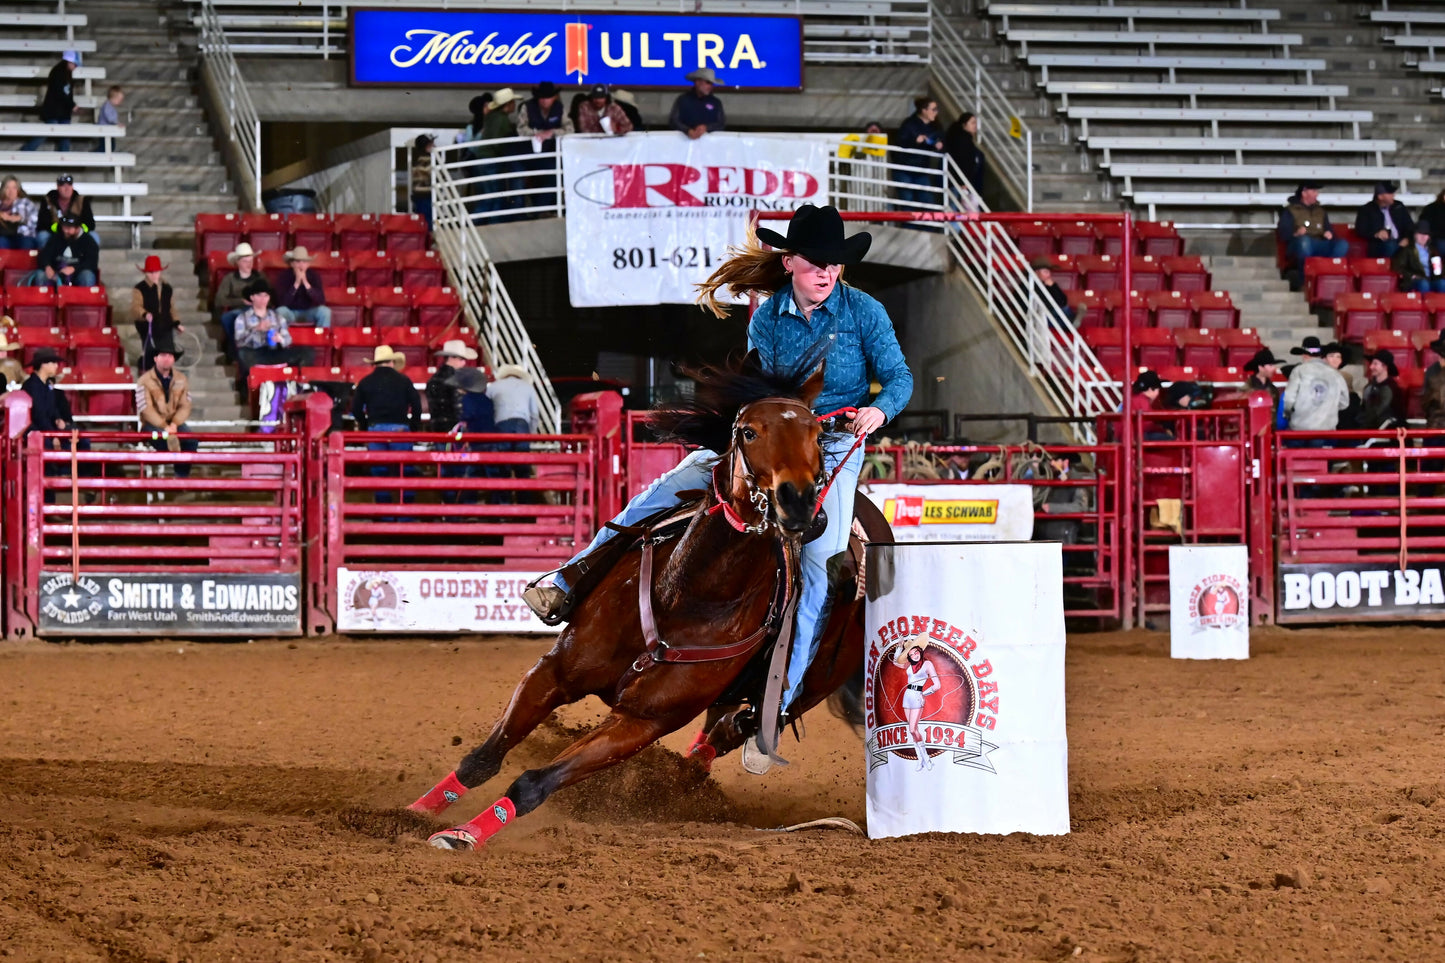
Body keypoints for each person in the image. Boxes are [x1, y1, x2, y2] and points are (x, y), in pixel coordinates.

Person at [523, 204, 913, 726]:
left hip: (835, 442)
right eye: (816, 261)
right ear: (790, 262)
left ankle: (780, 698)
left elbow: (899, 377)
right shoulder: (768, 318)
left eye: (835, 263)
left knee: (821, 562)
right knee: (663, 491)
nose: (827, 272)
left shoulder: (864, 311)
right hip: (771, 438)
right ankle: (567, 580)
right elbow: (758, 388)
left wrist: (879, 409)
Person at [352, 345, 423, 505]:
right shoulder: (404, 380)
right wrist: (413, 427)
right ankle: (406, 511)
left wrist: (365, 426)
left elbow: (356, 409)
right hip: (400, 429)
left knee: (379, 473)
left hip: (375, 430)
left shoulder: (366, 382)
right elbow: (416, 405)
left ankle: (384, 512)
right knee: (404, 471)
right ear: (392, 362)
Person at [136, 336, 199, 477]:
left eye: (170, 356)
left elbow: (185, 405)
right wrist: (165, 426)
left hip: (174, 423)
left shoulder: (181, 379)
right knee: (165, 441)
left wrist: (174, 424)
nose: (167, 358)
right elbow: (146, 410)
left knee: (191, 441)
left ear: (174, 359)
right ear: (155, 358)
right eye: (163, 355)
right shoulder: (144, 381)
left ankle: (181, 478)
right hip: (152, 424)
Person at [486, 363, 539, 503]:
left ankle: (504, 504)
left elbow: (487, 411)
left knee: (503, 467)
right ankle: (524, 505)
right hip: (522, 425)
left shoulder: (494, 387)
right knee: (523, 469)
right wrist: (531, 434)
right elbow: (534, 414)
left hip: (501, 426)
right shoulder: (528, 387)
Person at [515, 81, 572, 211]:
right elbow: (520, 129)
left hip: (548, 153)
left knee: (553, 177)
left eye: (548, 97)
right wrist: (536, 134)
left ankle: (540, 209)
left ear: (554, 97)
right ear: (538, 98)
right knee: (520, 181)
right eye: (542, 97)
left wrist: (552, 133)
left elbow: (569, 129)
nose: (545, 101)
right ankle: (524, 212)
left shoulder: (559, 108)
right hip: (526, 153)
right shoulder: (527, 107)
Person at [234, 278, 305, 380]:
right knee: (243, 354)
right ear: (252, 297)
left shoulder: (277, 317)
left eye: (266, 296)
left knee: (306, 352)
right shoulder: (242, 318)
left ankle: (297, 382)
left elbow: (288, 339)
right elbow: (239, 342)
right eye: (259, 295)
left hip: (274, 353)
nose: (263, 299)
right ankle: (252, 381)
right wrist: (256, 329)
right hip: (255, 354)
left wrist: (280, 339)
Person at [1278, 181, 1347, 284]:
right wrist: (1296, 233)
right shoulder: (1290, 210)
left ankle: (1327, 276)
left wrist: (1329, 234)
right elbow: (1283, 234)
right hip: (1298, 243)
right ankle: (1305, 280)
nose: (1317, 194)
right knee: (1304, 242)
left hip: (1319, 243)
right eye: (1314, 191)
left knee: (1342, 244)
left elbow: (1329, 230)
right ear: (1304, 193)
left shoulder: (1321, 211)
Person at [444, 365, 495, 506]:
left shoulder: (467, 400)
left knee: (471, 475)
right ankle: (499, 505)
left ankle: (465, 505)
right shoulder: (487, 399)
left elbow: (467, 416)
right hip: (491, 441)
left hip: (477, 442)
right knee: (492, 475)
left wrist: (463, 424)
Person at [1283, 335, 1350, 437]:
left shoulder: (1299, 370)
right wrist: (1328, 407)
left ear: (1304, 355)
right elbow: (1344, 402)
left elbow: (1288, 399)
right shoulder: (1335, 375)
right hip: (1326, 429)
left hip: (1300, 428)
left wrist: (1287, 414)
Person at [892, 640, 941, 772]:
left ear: (920, 651)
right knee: (912, 730)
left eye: (916, 652)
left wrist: (924, 694)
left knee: (913, 729)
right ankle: (920, 760)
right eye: (911, 654)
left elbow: (937, 685)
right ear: (909, 656)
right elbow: (895, 662)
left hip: (917, 696)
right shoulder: (908, 664)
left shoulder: (927, 664)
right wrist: (899, 648)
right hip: (907, 695)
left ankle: (927, 758)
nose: (915, 655)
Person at [132, 254, 183, 372]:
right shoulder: (139, 288)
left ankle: (164, 373)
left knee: (167, 351)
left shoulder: (167, 288)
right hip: (147, 324)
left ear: (160, 272)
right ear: (146, 273)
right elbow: (136, 307)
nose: (154, 275)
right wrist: (145, 314)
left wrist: (177, 323)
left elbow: (171, 308)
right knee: (151, 352)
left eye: (156, 272)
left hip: (165, 323)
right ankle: (147, 369)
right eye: (150, 272)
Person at [891, 97, 945, 209]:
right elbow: (900, 141)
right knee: (907, 200)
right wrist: (915, 140)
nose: (936, 112)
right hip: (905, 168)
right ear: (924, 110)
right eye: (933, 109)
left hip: (921, 169)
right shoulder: (909, 124)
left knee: (927, 201)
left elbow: (938, 140)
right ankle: (909, 221)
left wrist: (937, 144)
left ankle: (926, 222)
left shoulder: (935, 126)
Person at [474, 88, 519, 217]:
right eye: (513, 102)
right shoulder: (502, 119)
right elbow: (497, 142)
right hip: (492, 160)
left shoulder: (492, 117)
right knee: (495, 197)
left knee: (489, 196)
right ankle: (486, 222)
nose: (514, 105)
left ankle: (473, 222)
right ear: (508, 104)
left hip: (483, 158)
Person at [22, 51, 78, 152]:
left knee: (64, 137)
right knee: (46, 134)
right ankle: (25, 151)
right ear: (69, 62)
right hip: (54, 111)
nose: (76, 67)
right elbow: (60, 92)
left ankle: (64, 158)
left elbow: (67, 93)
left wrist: (71, 105)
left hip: (62, 112)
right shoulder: (58, 72)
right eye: (75, 64)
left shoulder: (66, 73)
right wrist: (72, 105)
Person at [213, 242, 258, 363]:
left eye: (251, 261)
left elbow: (270, 295)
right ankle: (236, 352)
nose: (249, 264)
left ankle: (235, 354)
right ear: (237, 262)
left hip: (256, 310)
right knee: (229, 318)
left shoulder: (259, 277)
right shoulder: (230, 278)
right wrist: (240, 301)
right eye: (245, 261)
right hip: (237, 309)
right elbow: (219, 300)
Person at [29, 213, 97, 288]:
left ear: (77, 228)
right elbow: (44, 255)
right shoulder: (56, 237)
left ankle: (84, 295)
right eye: (64, 228)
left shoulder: (88, 241)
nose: (65, 231)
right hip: (56, 272)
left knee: (87, 276)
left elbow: (91, 262)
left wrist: (74, 268)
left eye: (69, 229)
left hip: (78, 273)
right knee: (40, 274)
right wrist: (47, 267)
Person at [427, 339, 477, 433]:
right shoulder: (456, 380)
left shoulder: (433, 379)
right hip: (454, 429)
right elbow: (459, 407)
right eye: (461, 359)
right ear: (451, 358)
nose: (464, 363)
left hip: (437, 428)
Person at [274, 247, 331, 329]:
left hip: (309, 312)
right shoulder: (283, 276)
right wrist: (296, 284)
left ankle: (321, 336)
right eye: (298, 261)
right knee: (280, 311)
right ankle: (283, 336)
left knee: (325, 311)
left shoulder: (314, 276)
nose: (301, 265)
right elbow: (281, 303)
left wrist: (306, 283)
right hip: (290, 312)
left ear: (308, 264)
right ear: (292, 263)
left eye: (304, 262)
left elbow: (321, 300)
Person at [1355, 180, 1414, 260]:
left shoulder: (1399, 206)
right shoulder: (1366, 209)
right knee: (1390, 245)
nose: (1393, 195)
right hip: (1380, 245)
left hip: (1401, 241)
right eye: (1390, 193)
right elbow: (1360, 230)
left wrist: (1407, 238)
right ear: (1380, 196)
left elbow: (1409, 225)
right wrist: (1376, 234)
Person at [36, 175, 96, 247]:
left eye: (69, 185)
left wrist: (76, 229)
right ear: (57, 187)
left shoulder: (82, 201)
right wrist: (61, 229)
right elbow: (42, 224)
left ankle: (86, 254)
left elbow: (90, 224)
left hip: (76, 232)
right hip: (54, 233)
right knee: (42, 236)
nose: (67, 188)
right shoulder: (48, 200)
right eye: (63, 185)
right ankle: (48, 254)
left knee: (94, 236)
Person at [670, 68, 726, 139]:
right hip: (684, 142)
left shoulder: (716, 102)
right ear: (698, 82)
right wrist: (687, 130)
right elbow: (673, 121)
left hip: (709, 143)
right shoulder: (682, 100)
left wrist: (706, 128)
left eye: (712, 84)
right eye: (708, 83)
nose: (710, 87)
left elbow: (721, 124)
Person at [1392, 221, 1445, 293]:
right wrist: (1411, 275)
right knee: (1424, 284)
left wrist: (1441, 270)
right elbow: (1397, 267)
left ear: (1428, 237)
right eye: (1420, 233)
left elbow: (1438, 271)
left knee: (1442, 283)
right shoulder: (1407, 250)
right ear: (1415, 235)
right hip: (1414, 281)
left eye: (1425, 234)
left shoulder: (1433, 251)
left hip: (1431, 280)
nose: (1423, 237)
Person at [1360, 349, 1404, 430]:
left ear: (1385, 366)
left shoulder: (1392, 388)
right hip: (1370, 431)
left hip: (1386, 432)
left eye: (1375, 364)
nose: (1371, 367)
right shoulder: (1369, 387)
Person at [943, 112, 985, 191]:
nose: (975, 126)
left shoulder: (964, 139)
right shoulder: (962, 140)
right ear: (964, 125)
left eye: (975, 123)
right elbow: (963, 161)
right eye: (972, 123)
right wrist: (962, 182)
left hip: (962, 181)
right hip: (961, 182)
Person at [0, 175, 39, 250]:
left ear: (18, 189)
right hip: (3, 235)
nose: (11, 191)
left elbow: (33, 221)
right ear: (3, 189)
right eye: (7, 188)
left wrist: (12, 218)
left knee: (26, 243)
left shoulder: (25, 202)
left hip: (23, 235)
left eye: (14, 188)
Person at [1033, 260, 1074, 324]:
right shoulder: (1028, 284)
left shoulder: (1049, 284)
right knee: (1064, 312)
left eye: (1049, 272)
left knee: (1065, 309)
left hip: (1051, 313)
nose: (1049, 274)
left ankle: (1072, 322)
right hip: (1038, 315)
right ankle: (1072, 322)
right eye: (1045, 272)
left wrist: (1053, 287)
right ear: (1036, 272)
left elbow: (1063, 301)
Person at [411, 134, 434, 230]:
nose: (434, 146)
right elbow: (434, 175)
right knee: (428, 222)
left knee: (422, 222)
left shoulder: (418, 160)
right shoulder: (428, 160)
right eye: (431, 144)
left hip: (418, 195)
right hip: (425, 195)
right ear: (427, 146)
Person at [94, 84, 123, 151]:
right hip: (104, 130)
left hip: (109, 130)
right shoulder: (107, 106)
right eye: (119, 100)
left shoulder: (110, 106)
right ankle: (94, 155)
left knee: (111, 146)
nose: (120, 102)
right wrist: (117, 123)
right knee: (104, 147)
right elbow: (110, 118)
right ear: (113, 98)